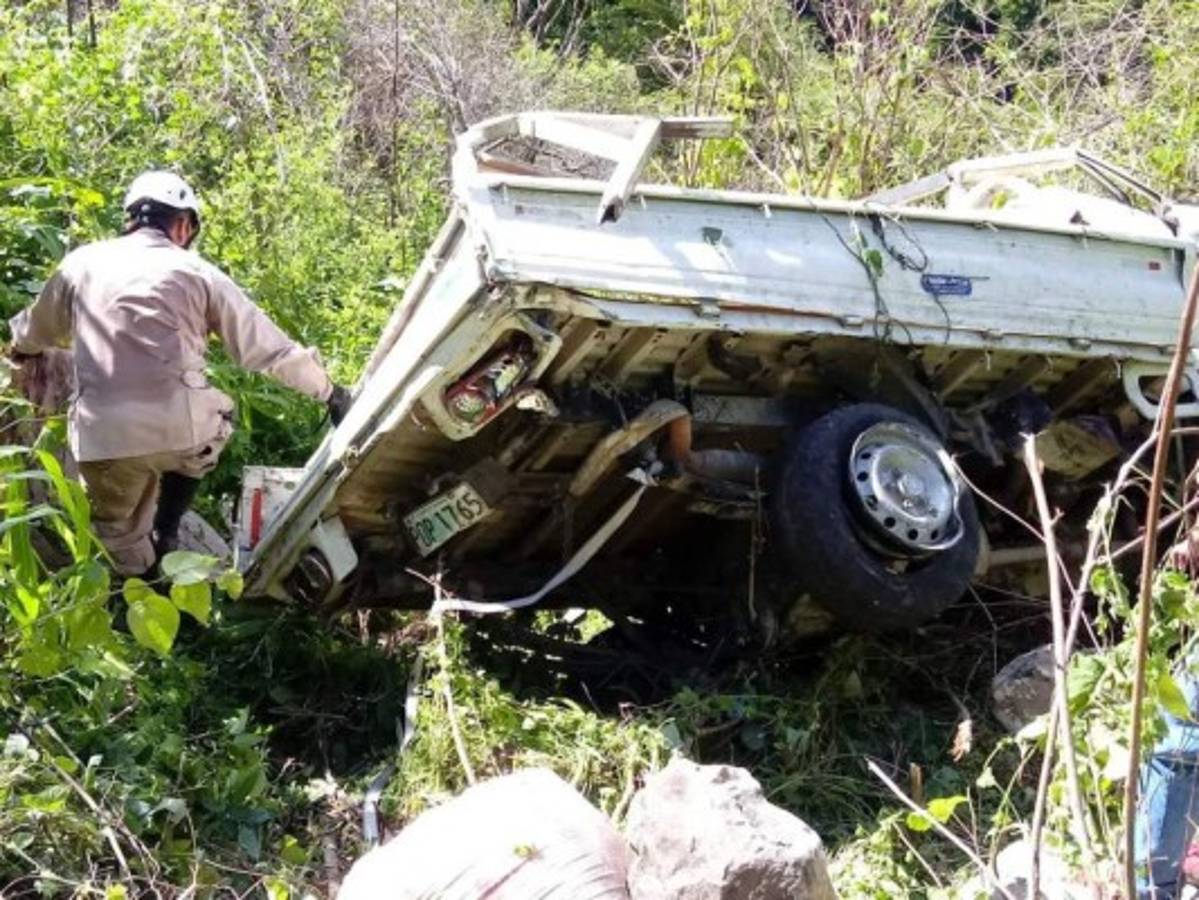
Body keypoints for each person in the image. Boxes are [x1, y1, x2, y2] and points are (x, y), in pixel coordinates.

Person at [7, 171, 352, 575]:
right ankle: (167, 530)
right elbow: (269, 349)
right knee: (218, 418)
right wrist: (331, 393)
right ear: (183, 224)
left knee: (115, 539)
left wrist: (16, 349)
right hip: (182, 433)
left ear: (130, 218)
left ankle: (139, 591)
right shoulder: (197, 271)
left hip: (101, 440)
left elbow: (33, 334)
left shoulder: (81, 264)